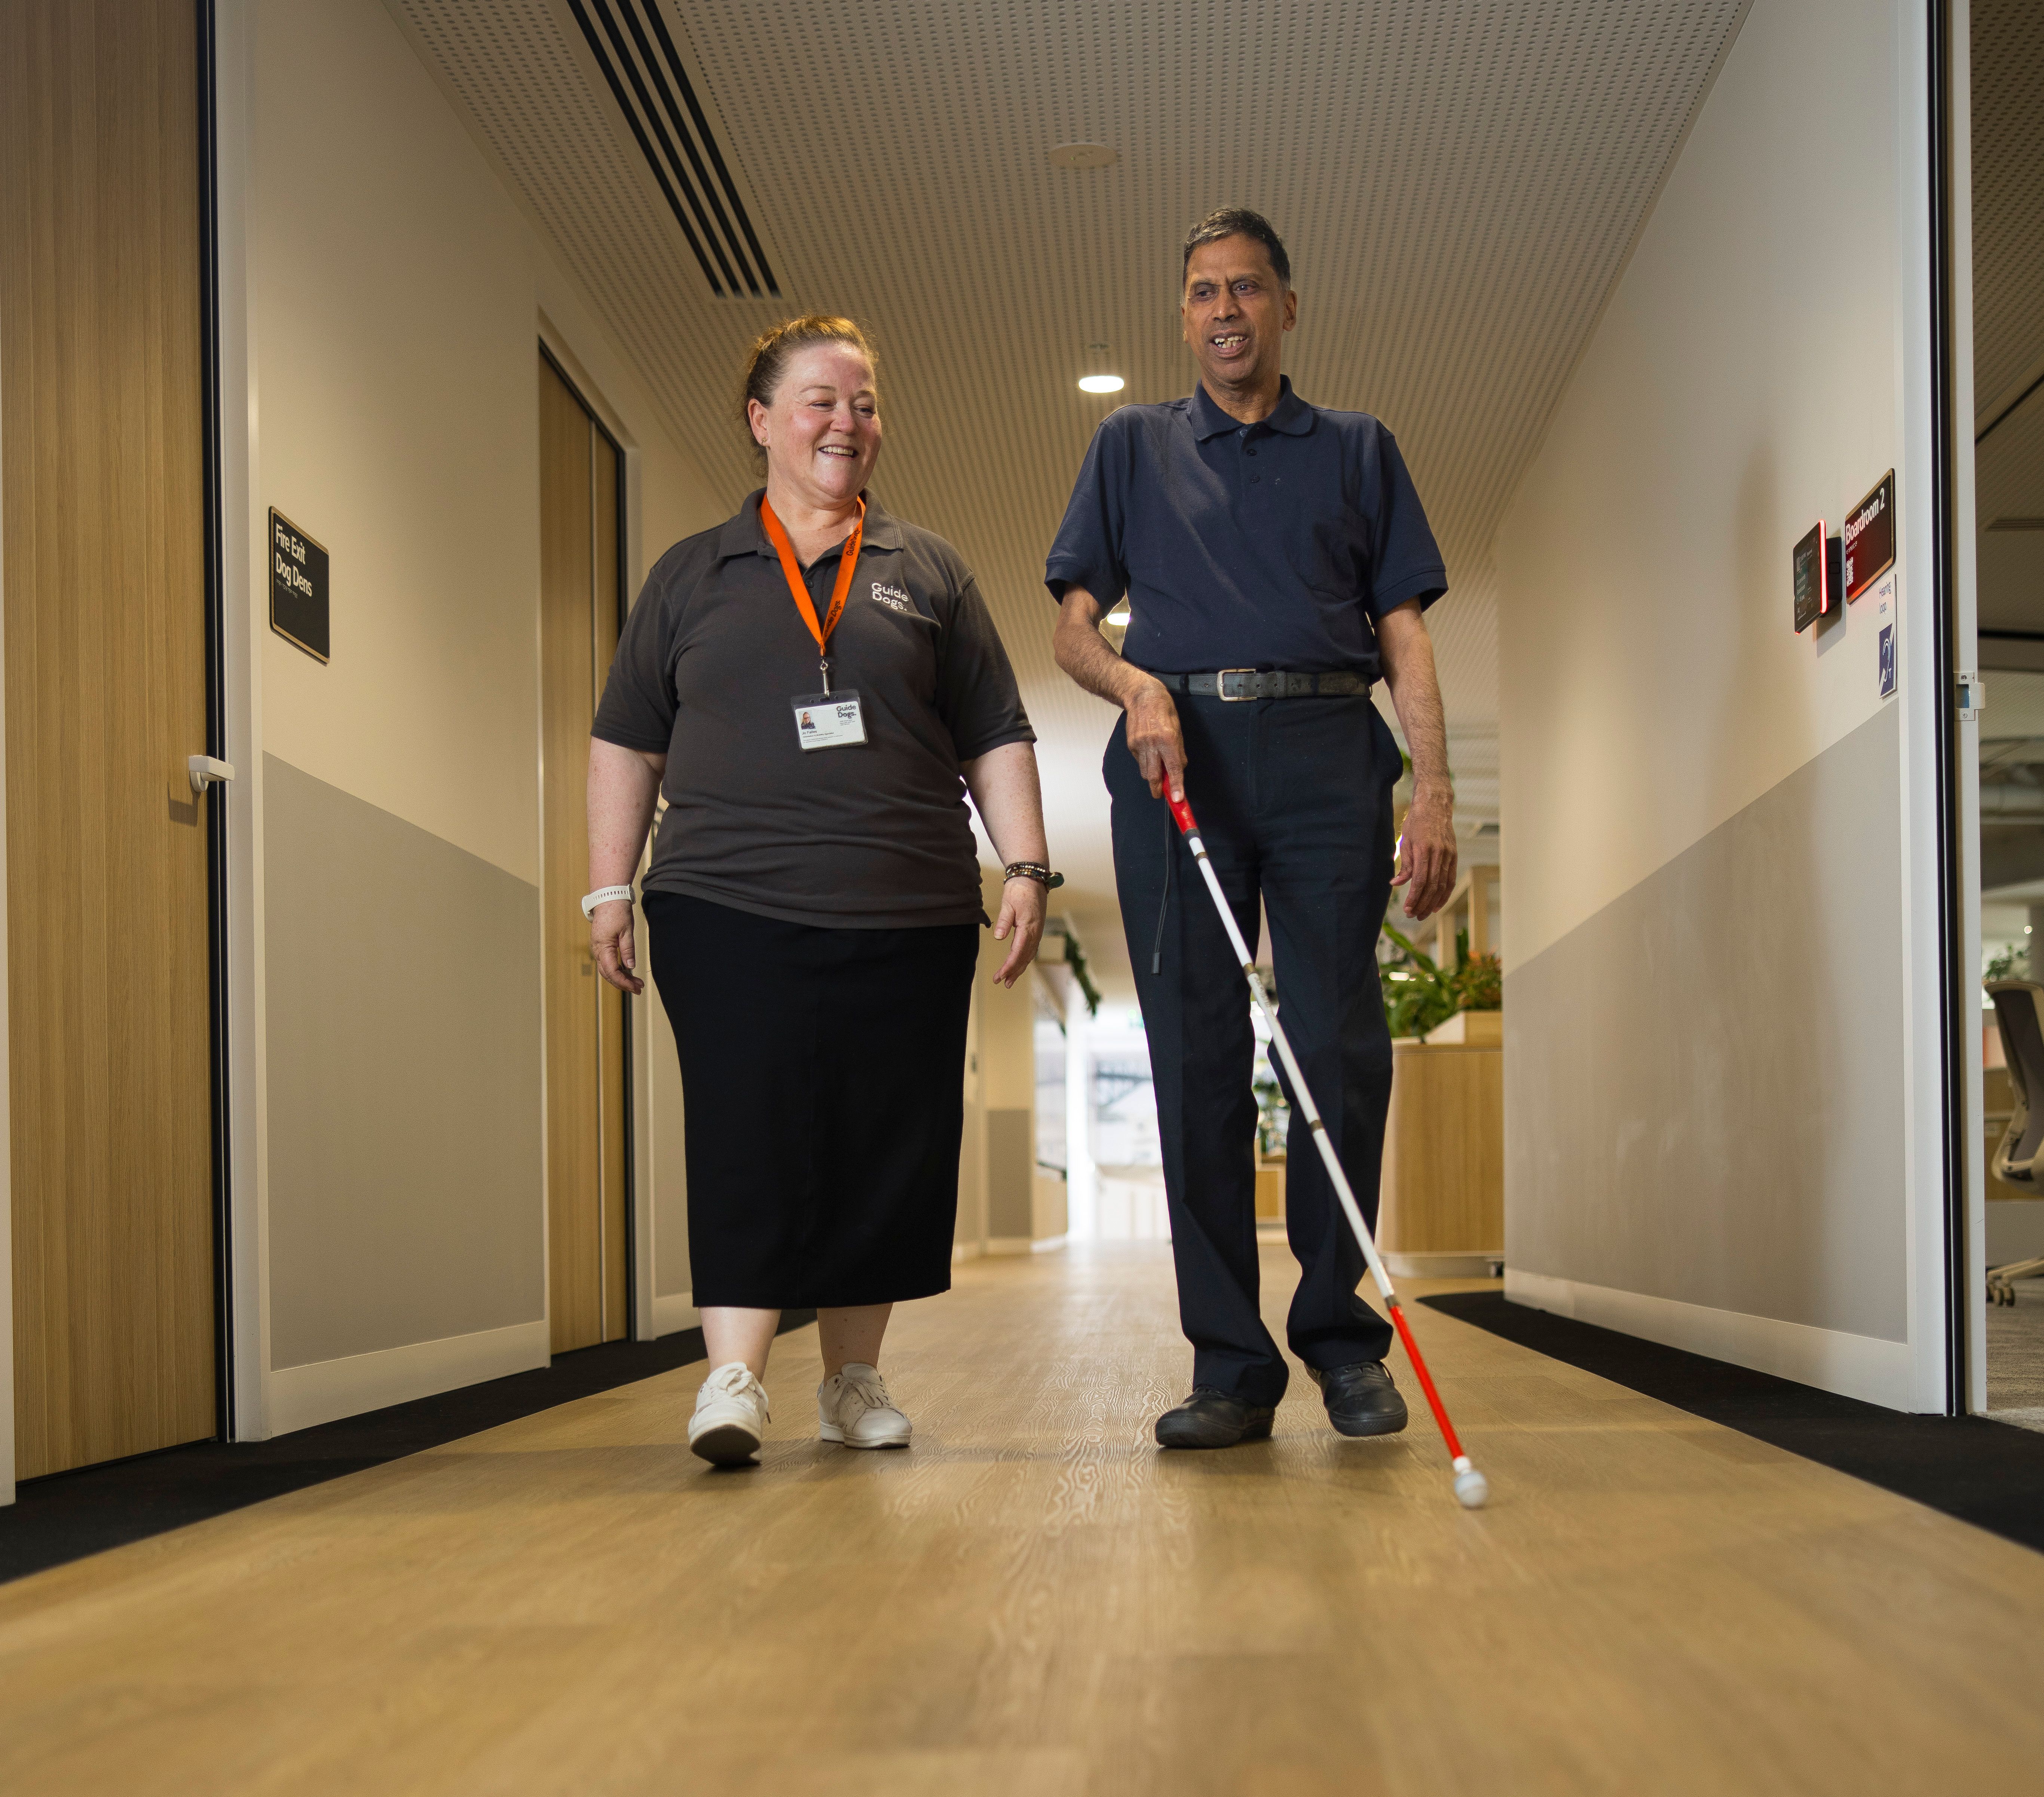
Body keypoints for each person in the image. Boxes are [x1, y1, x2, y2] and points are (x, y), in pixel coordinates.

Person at [587, 315, 1055, 1468]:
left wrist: (1025, 865)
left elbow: (995, 731)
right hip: (725, 900)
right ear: (762, 421)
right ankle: (734, 1379)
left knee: (881, 1143)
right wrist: (607, 890)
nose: (847, 421)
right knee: (743, 1128)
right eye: (819, 400)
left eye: (864, 403)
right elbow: (626, 742)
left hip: (906, 905)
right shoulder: (691, 574)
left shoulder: (929, 570)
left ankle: (851, 1381)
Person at [1046, 209, 1458, 1450]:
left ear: (1286, 305)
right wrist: (1136, 686)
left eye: (1246, 288)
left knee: (1339, 1049)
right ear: (1184, 316)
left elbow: (1404, 632)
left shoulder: (1358, 448)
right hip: (1180, 762)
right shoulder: (1132, 446)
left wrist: (1435, 792)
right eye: (1203, 291)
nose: (1225, 309)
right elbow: (1073, 628)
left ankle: (1340, 1340)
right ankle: (1230, 1365)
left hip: (1331, 751)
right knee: (1196, 1064)